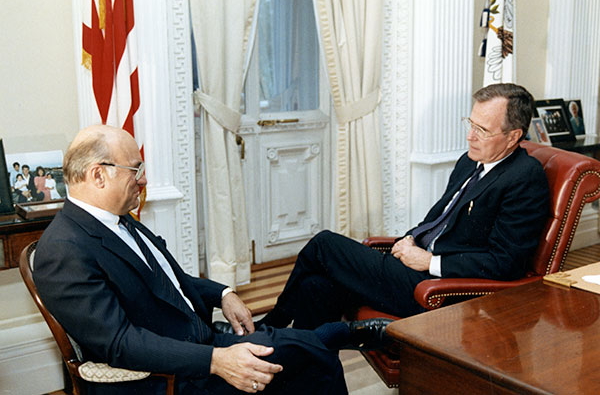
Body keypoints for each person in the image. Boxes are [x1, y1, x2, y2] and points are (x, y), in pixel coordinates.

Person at [33, 125, 391, 395]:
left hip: (199, 342)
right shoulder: (64, 250)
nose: (143, 180)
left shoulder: (116, 220)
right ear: (99, 174)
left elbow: (167, 281)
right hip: (169, 376)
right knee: (317, 358)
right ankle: (342, 333)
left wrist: (223, 293)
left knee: (306, 344)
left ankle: (338, 333)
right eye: (135, 169)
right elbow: (120, 344)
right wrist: (217, 362)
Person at [254, 83, 550, 330]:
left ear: (513, 136)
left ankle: (269, 327)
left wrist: (428, 262)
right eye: (470, 124)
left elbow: (505, 262)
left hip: (443, 288)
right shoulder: (470, 161)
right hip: (412, 267)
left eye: (482, 130)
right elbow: (439, 219)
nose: (470, 136)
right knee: (315, 288)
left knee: (324, 244)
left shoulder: (525, 177)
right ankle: (297, 369)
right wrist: (409, 238)